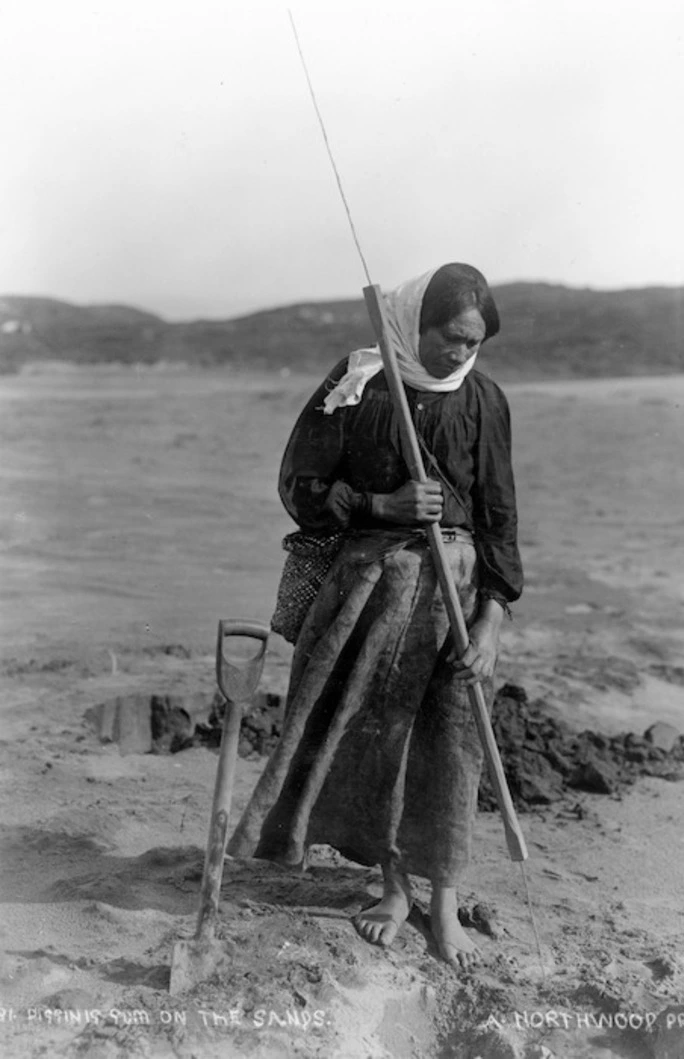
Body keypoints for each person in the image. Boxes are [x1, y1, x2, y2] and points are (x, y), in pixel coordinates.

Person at [231, 263, 523, 970]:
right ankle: (393, 889)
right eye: (451, 337)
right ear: (413, 323)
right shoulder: (358, 383)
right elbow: (301, 485)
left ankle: (444, 903)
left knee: (452, 741)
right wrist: (379, 506)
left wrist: (491, 622)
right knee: (378, 741)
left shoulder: (484, 400)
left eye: (474, 342)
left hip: (455, 589)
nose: (461, 353)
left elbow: (499, 520)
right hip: (370, 586)